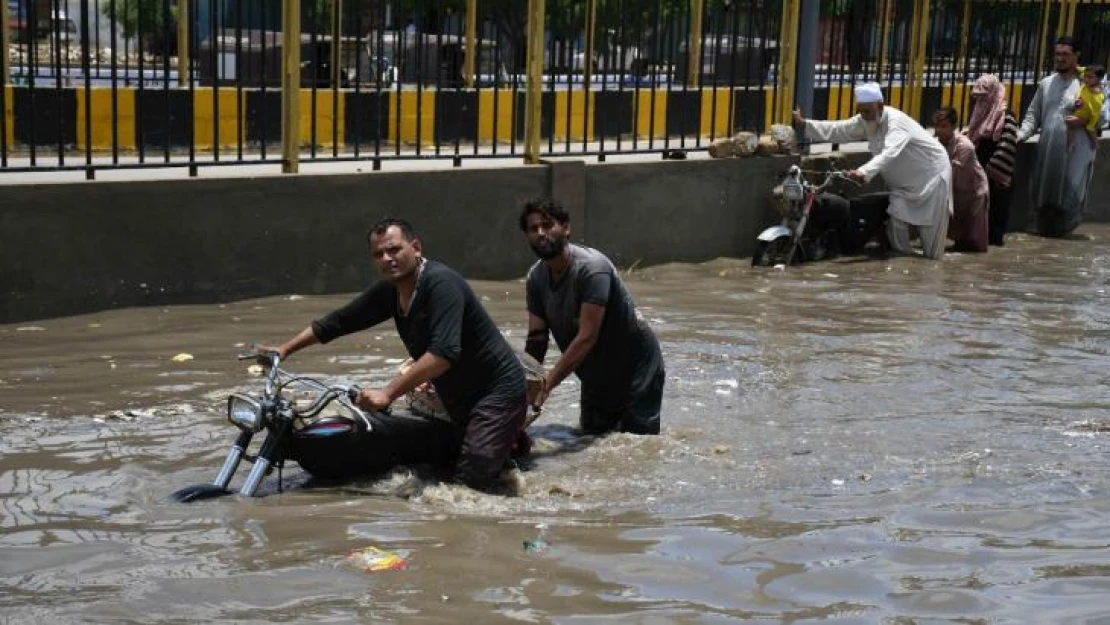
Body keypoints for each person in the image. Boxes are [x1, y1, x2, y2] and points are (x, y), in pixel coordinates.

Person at [262, 218, 527, 491]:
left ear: (416, 248)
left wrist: (388, 393)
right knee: (438, 464)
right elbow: (338, 322)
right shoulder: (391, 290)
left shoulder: (441, 284)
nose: (387, 259)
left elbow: (443, 353)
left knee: (471, 484)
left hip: (497, 393)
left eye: (394, 250)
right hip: (456, 398)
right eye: (378, 254)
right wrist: (284, 349)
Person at [519, 198, 665, 436]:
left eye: (547, 225)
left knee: (637, 447)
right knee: (590, 439)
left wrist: (547, 385)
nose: (541, 233)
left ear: (566, 228)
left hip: (636, 368)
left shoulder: (591, 268)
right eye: (533, 229)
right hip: (594, 373)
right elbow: (537, 340)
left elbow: (587, 336)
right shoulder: (536, 278)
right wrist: (525, 384)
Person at [793, 82, 952, 260]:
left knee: (932, 249)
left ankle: (932, 274)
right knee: (896, 224)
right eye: (861, 111)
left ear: (880, 106)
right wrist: (805, 124)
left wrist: (864, 172)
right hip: (902, 187)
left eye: (867, 111)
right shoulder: (866, 120)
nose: (863, 116)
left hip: (931, 180)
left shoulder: (896, 122)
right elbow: (839, 129)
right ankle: (906, 273)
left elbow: (889, 153)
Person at [1018, 37, 1097, 237]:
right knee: (1045, 197)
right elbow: (1032, 116)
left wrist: (1082, 122)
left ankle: (1065, 241)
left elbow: (1103, 115)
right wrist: (1020, 135)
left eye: (1065, 54)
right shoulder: (1046, 84)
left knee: (1070, 194)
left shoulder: (1088, 85)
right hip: (1048, 150)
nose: (1060, 59)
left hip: (1076, 151)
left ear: (1076, 56)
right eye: (1057, 54)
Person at [965, 74, 1020, 247]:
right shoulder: (978, 114)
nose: (980, 101)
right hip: (980, 169)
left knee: (996, 211)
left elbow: (1008, 145)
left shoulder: (1006, 116)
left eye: (984, 96)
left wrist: (992, 171)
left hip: (997, 174)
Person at [934, 107, 989, 253]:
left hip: (973, 191)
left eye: (944, 126)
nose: (939, 130)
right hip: (956, 191)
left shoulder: (965, 146)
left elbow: (950, 169)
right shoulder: (935, 144)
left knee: (975, 241)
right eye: (937, 126)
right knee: (959, 240)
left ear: (953, 127)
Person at [1065, 64, 1105, 151]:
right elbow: (1082, 70)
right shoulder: (1087, 81)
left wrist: (1089, 123)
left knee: (1087, 128)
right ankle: (1073, 141)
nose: (1086, 79)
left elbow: (1096, 110)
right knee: (1071, 122)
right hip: (1080, 107)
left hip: (1085, 115)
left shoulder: (1096, 92)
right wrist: (1076, 66)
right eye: (1086, 76)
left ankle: (1093, 143)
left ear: (1099, 79)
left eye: (1090, 77)